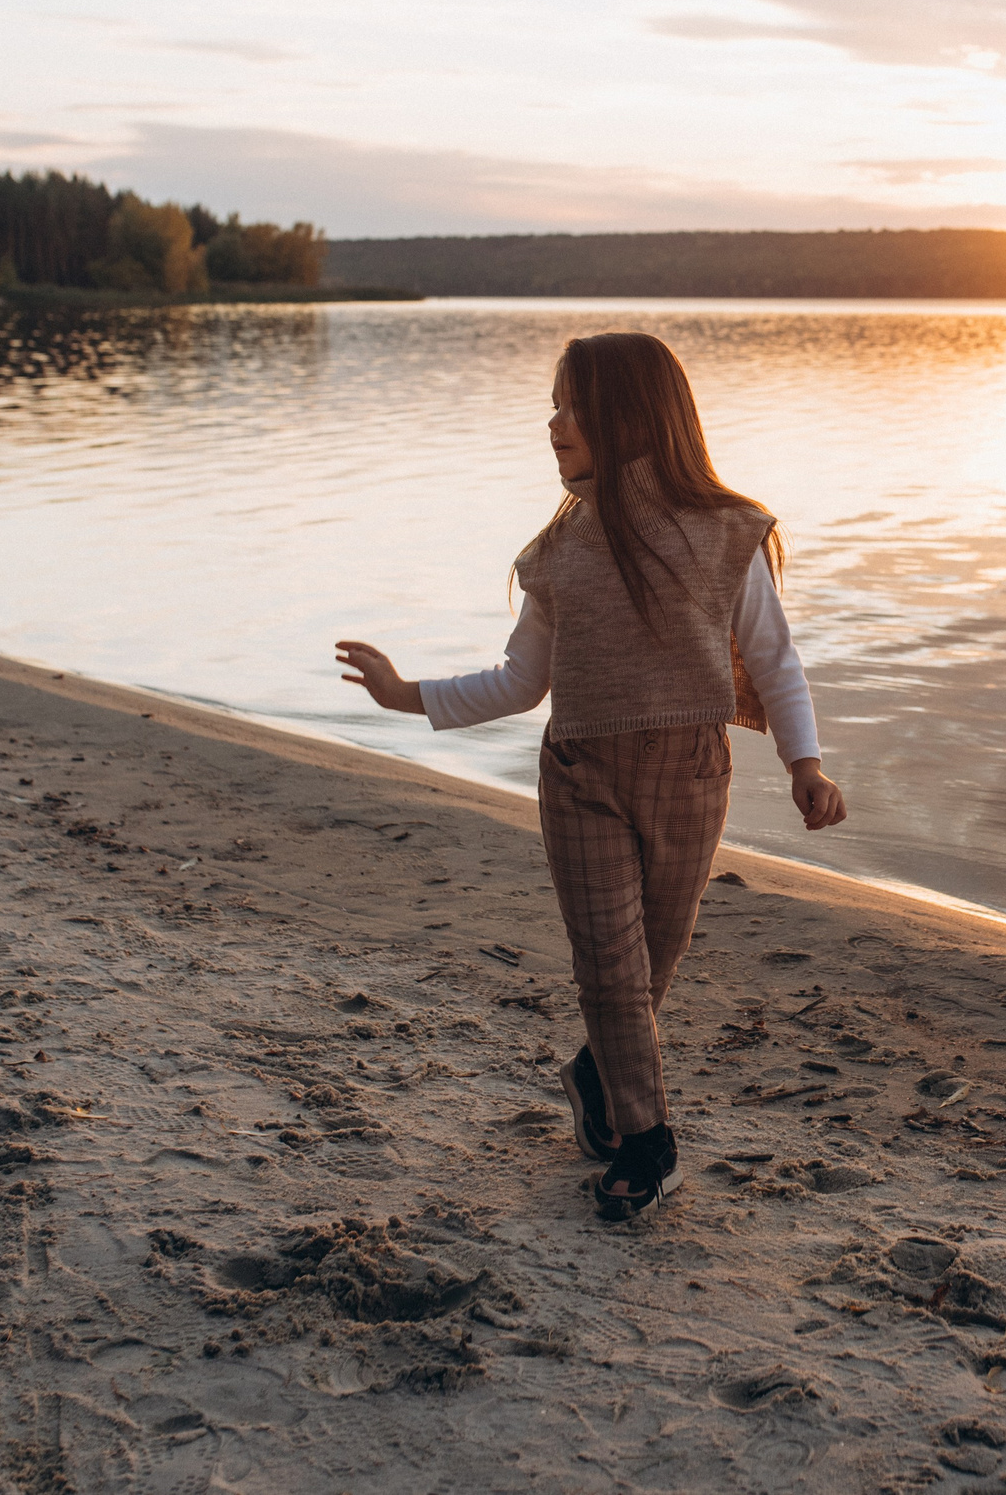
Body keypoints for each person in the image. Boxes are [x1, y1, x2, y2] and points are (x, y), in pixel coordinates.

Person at [334, 331, 845, 1222]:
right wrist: (404, 694)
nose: (554, 422)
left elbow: (773, 659)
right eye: (554, 406)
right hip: (582, 776)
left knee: (652, 963)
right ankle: (649, 1144)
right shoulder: (560, 551)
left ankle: (598, 1074)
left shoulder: (726, 531)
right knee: (609, 970)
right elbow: (519, 681)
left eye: (571, 406)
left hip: (691, 775)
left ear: (632, 415)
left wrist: (804, 762)